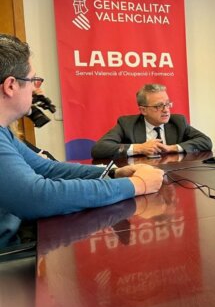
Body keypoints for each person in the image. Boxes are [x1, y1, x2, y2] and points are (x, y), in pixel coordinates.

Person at [0, 34, 164, 248]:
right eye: (33, 80)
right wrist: (136, 185)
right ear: (11, 85)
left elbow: (47, 168)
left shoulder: (4, 132)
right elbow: (38, 197)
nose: (36, 89)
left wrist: (113, 173)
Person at [91, 83, 212, 159]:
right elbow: (99, 149)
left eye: (167, 104)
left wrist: (173, 148)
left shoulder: (178, 122)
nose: (166, 110)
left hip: (174, 178)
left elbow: (206, 142)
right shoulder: (127, 124)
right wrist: (139, 148)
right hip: (141, 179)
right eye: (158, 106)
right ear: (143, 110)